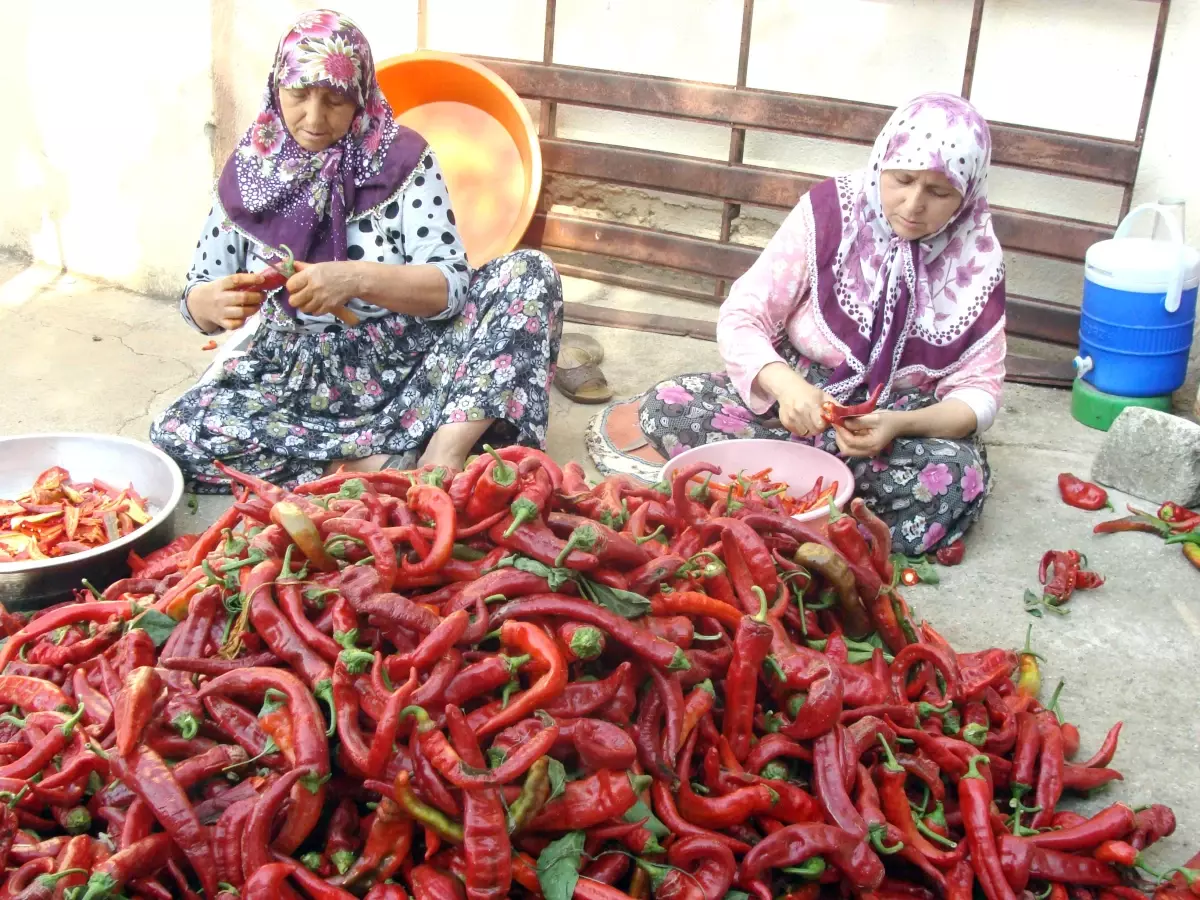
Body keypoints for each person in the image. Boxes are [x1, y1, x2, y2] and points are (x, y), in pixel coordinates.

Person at [152, 9, 563, 492]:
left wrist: (357, 278)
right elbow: (198, 294)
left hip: (415, 357)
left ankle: (443, 454)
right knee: (177, 433)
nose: (314, 118)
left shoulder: (403, 159)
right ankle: (375, 468)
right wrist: (208, 304)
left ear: (362, 94)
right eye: (298, 95)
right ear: (275, 87)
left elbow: (451, 287)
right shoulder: (248, 173)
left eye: (335, 99)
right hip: (298, 378)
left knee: (529, 272)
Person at [639, 92, 1006, 556]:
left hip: (888, 425)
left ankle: (769, 501)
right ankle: (829, 514)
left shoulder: (977, 256)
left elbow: (979, 394)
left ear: (967, 193)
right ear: (881, 164)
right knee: (666, 406)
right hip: (794, 400)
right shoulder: (831, 212)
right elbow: (743, 314)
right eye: (903, 179)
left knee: (956, 479)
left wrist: (898, 424)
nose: (914, 204)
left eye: (938, 192)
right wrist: (786, 387)